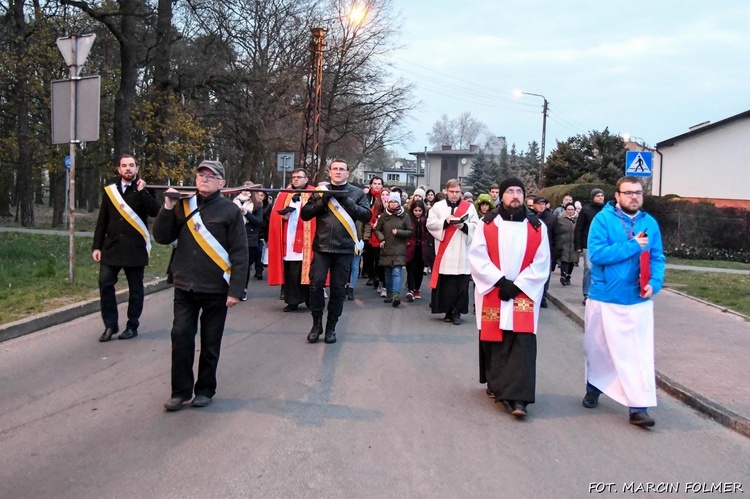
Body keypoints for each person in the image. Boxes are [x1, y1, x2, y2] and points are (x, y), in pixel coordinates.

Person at [154, 160, 248, 411]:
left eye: (211, 175)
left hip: (216, 288)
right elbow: (162, 237)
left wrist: (236, 290)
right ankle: (180, 391)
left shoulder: (230, 211)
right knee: (181, 337)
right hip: (185, 285)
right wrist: (167, 206)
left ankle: (205, 389)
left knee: (210, 341)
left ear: (222, 183)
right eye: (201, 174)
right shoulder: (183, 205)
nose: (204, 179)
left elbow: (240, 251)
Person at [582, 176, 665, 427]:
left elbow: (657, 257)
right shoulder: (603, 220)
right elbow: (596, 254)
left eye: (638, 193)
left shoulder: (650, 223)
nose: (634, 197)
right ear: (617, 196)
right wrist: (631, 246)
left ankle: (638, 407)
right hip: (605, 296)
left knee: (636, 353)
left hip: (637, 299)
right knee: (599, 349)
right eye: (628, 193)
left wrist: (656, 283)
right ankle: (593, 388)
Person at [469, 177, 550, 419]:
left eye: (519, 191)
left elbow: (543, 261)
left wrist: (519, 285)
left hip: (523, 293)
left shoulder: (537, 227)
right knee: (496, 339)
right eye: (510, 191)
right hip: (495, 290)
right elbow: (477, 256)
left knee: (522, 343)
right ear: (501, 196)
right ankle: (497, 386)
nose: (515, 195)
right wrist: (500, 281)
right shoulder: (487, 224)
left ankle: (520, 399)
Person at [300, 160, 371, 344]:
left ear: (348, 173)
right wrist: (324, 200)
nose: (338, 172)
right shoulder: (320, 191)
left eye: (342, 169)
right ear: (330, 172)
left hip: (344, 249)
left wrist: (344, 200)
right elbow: (305, 214)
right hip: (322, 247)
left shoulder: (356, 193)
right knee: (316, 286)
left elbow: (366, 216)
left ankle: (331, 326)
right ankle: (317, 324)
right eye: (335, 169)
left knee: (338, 290)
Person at [92, 153, 161, 342]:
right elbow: (102, 220)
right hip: (112, 247)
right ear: (119, 169)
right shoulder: (110, 191)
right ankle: (110, 325)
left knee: (135, 289)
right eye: (124, 165)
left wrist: (143, 192)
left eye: (131, 165)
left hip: (134, 248)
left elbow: (155, 211)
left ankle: (132, 326)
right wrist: (96, 246)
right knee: (105, 283)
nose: (128, 168)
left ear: (137, 169)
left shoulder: (144, 189)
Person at [426, 179, 479, 325]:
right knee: (447, 286)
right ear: (446, 191)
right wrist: (445, 222)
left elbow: (476, 226)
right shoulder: (438, 206)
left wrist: (464, 226)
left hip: (462, 252)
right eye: (452, 192)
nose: (455, 195)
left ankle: (457, 312)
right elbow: (430, 223)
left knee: (461, 286)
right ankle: (447, 311)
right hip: (446, 252)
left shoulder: (469, 207)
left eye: (457, 192)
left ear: (461, 192)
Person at [267, 168, 316, 312]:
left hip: (307, 239)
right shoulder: (284, 194)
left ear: (306, 179)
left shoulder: (314, 193)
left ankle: (309, 300)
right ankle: (292, 301)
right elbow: (274, 217)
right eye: (294, 177)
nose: (296, 179)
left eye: (299, 177)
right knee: (291, 272)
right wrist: (282, 217)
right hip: (289, 237)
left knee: (308, 271)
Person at [375, 192, 413, 307]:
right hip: (387, 247)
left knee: (397, 271)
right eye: (391, 201)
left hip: (399, 247)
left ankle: (396, 295)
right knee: (388, 272)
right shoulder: (384, 216)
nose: (392, 204)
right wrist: (381, 239)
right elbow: (377, 229)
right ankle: (390, 294)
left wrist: (399, 232)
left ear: (399, 202)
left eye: (395, 201)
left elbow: (410, 231)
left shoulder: (404, 216)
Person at [574, 188, 606, 305]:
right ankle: (586, 293)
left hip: (604, 245)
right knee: (589, 269)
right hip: (588, 244)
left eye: (602, 195)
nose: (600, 198)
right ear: (593, 197)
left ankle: (599, 293)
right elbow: (579, 228)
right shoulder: (586, 210)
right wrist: (578, 244)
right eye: (598, 195)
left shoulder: (606, 211)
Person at [233, 185, 264, 301]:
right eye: (244, 188)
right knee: (234, 264)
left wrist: (246, 213)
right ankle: (233, 289)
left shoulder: (257, 205)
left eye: (248, 189)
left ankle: (243, 289)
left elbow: (259, 222)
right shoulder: (234, 201)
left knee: (245, 266)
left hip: (250, 238)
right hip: (235, 236)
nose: (245, 191)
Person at [532, 196, 556, 308]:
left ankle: (543, 297)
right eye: (539, 204)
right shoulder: (530, 217)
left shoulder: (552, 218)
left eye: (543, 204)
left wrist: (556, 254)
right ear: (534, 205)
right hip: (533, 251)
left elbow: (557, 236)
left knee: (546, 275)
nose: (541, 206)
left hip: (548, 251)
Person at [405, 200, 429, 301]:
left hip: (422, 249)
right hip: (411, 248)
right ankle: (410, 289)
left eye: (420, 210)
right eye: (416, 210)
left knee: (419, 270)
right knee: (411, 269)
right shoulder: (409, 219)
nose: (418, 212)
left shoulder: (426, 221)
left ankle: (417, 289)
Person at [362, 176, 384, 286]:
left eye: (379, 184)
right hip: (368, 228)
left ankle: (377, 276)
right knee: (368, 255)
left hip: (380, 230)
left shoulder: (384, 197)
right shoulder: (366, 197)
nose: (377, 185)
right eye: (375, 183)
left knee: (378, 256)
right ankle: (370, 275)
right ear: (371, 185)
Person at [554, 203, 579, 286]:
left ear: (574, 210)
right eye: (568, 209)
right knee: (564, 260)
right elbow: (556, 230)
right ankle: (563, 276)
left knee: (572, 260)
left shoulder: (578, 219)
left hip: (574, 243)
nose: (570, 211)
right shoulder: (560, 219)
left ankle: (568, 276)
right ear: (566, 210)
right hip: (564, 242)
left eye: (572, 209)